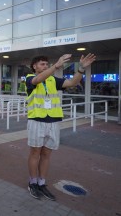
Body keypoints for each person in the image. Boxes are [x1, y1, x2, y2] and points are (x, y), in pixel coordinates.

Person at [26, 53, 96, 201]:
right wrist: (55, 66)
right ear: (34, 66)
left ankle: (42, 183)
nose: (45, 66)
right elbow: (38, 79)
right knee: (35, 153)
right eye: (42, 64)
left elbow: (72, 83)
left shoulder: (53, 80)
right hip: (36, 120)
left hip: (53, 121)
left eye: (46, 64)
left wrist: (81, 69)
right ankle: (32, 183)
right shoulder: (29, 78)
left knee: (46, 155)